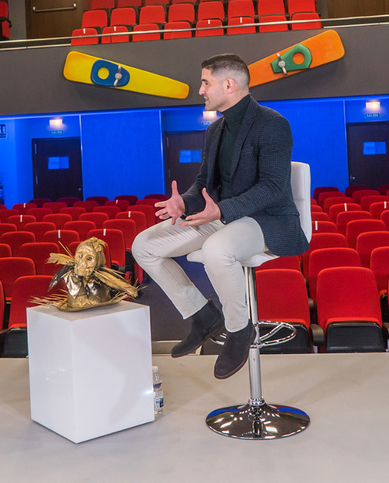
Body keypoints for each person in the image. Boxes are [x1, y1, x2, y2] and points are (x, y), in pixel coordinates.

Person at [132, 54, 308, 379]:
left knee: (216, 249)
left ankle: (240, 328)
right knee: (144, 245)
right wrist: (183, 204)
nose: (200, 90)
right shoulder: (215, 131)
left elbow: (271, 187)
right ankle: (201, 315)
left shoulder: (273, 124)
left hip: (266, 219)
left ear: (229, 84)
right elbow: (203, 184)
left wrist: (223, 210)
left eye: (205, 82)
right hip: (221, 216)